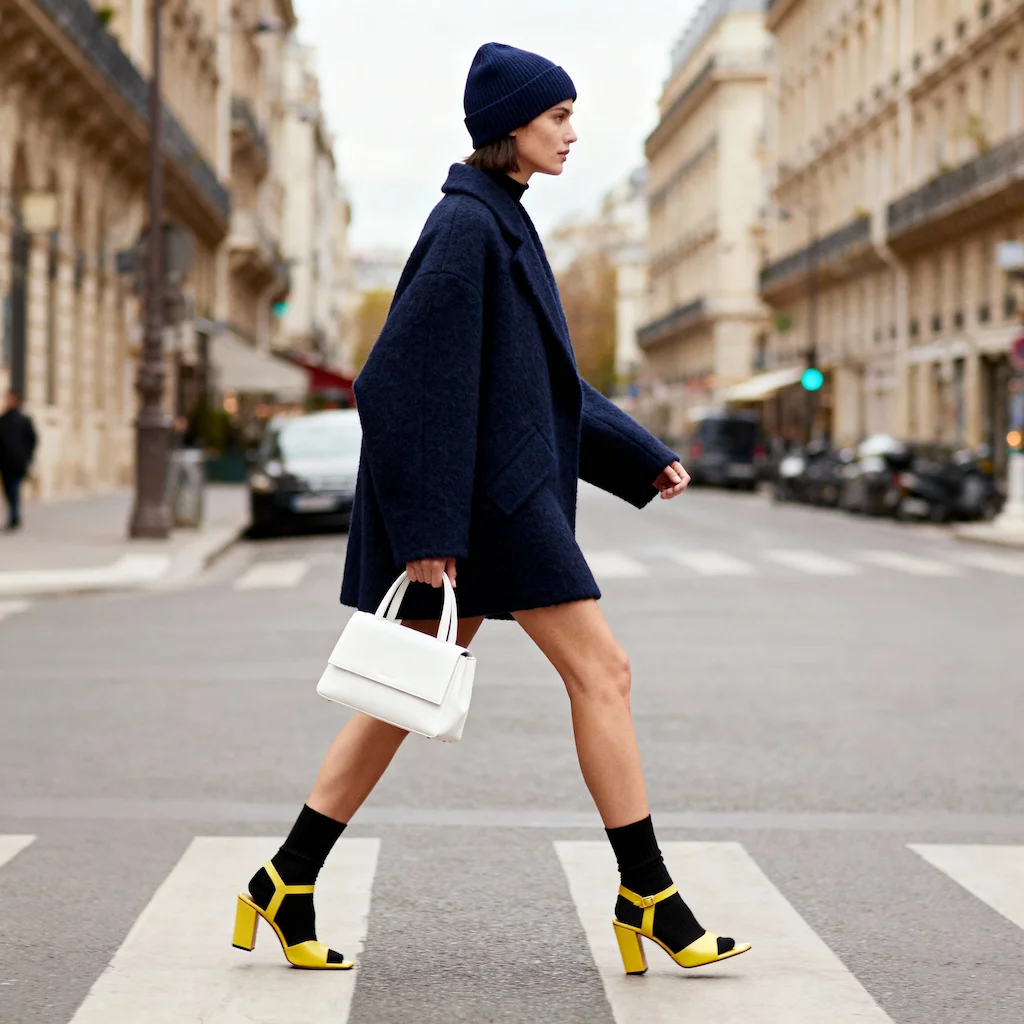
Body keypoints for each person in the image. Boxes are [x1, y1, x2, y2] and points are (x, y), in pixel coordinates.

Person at [233, 42, 750, 976]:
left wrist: (641, 455)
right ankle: (651, 894)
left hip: (493, 502)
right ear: (510, 127)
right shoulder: (466, 229)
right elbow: (394, 381)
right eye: (557, 117)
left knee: (400, 691)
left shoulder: (501, 222)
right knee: (605, 673)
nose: (572, 132)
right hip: (489, 510)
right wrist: (428, 533)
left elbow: (540, 382)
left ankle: (287, 877)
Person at [0, 390, 37, 532]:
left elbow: (32, 440)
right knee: (8, 490)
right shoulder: (3, 419)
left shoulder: (24, 420)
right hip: (4, 462)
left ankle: (14, 517)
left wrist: (26, 456)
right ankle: (13, 516)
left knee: (14, 489)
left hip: (17, 462)